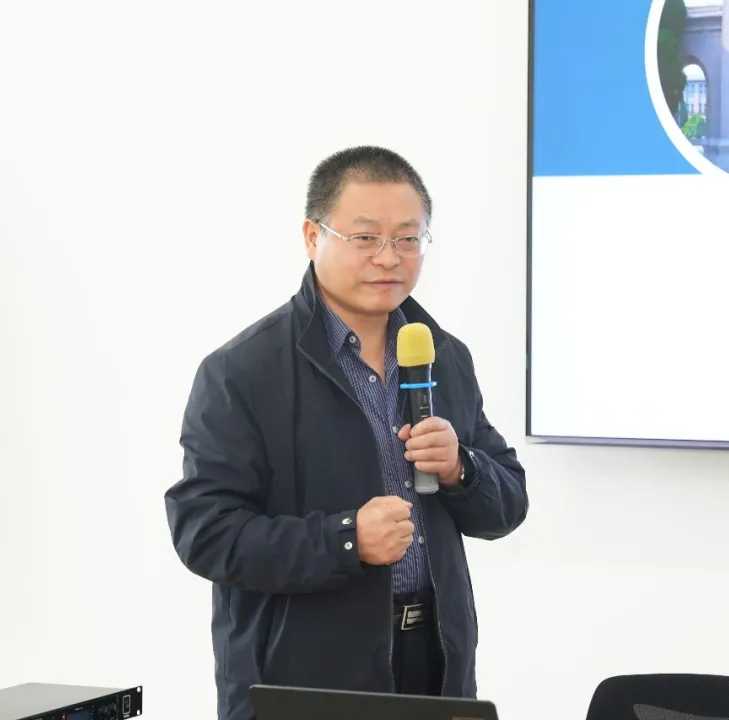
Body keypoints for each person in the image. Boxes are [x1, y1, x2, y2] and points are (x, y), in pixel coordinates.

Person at [164, 145, 529, 720]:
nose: (389, 257)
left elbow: (508, 504)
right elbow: (204, 533)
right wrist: (346, 539)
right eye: (365, 237)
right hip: (303, 676)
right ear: (313, 237)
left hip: (435, 660)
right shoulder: (242, 371)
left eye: (408, 239)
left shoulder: (443, 355)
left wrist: (462, 469)